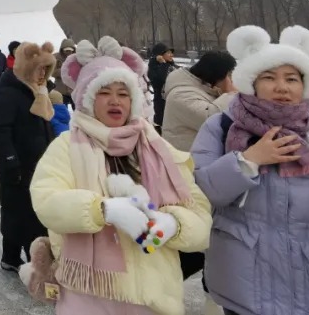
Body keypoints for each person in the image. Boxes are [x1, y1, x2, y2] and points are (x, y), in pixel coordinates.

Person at [192, 25, 309, 315]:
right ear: (252, 82)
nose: (282, 87)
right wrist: (248, 160)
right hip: (245, 279)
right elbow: (200, 191)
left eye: (291, 78)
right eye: (269, 77)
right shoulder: (222, 128)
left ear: (305, 85)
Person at [28, 36, 212, 314]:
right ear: (88, 99)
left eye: (123, 93)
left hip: (154, 295)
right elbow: (46, 202)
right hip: (89, 294)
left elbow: (200, 216)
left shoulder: (159, 148)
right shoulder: (66, 147)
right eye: (104, 92)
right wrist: (103, 209)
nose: (115, 101)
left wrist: (173, 225)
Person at [0, 41, 57, 273]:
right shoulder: (10, 92)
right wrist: (10, 160)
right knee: (18, 211)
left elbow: (45, 126)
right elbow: (0, 129)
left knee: (29, 212)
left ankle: (14, 256)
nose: (42, 75)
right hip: (17, 163)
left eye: (45, 70)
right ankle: (27, 259)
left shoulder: (38, 92)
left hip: (38, 162)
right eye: (39, 69)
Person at [161, 50, 237, 153]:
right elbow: (212, 119)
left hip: (198, 156)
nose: (230, 79)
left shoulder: (204, 87)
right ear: (216, 75)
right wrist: (230, 94)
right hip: (185, 161)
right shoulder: (180, 95)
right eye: (228, 75)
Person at [148, 43, 176, 132]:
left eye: (171, 52)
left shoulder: (171, 66)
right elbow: (161, 79)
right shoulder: (153, 68)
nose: (172, 55)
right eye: (168, 53)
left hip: (173, 101)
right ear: (159, 55)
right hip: (161, 105)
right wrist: (163, 64)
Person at [53, 39, 77, 108]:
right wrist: (65, 71)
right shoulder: (55, 58)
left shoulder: (77, 58)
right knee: (61, 112)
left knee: (78, 113)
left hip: (74, 90)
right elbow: (52, 72)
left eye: (71, 50)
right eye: (66, 50)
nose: (69, 52)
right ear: (62, 49)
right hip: (60, 91)